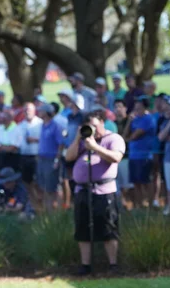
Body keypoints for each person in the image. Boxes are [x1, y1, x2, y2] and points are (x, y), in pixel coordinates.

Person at [66, 110, 124, 276]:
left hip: (104, 191)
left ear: (102, 123)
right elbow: (69, 157)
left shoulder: (113, 139)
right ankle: (85, 265)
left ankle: (113, 265)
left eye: (94, 125)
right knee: (82, 227)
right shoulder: (83, 140)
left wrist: (95, 147)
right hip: (82, 191)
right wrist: (78, 138)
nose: (92, 129)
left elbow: (116, 158)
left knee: (108, 227)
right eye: (88, 126)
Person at [124, 96, 155, 209]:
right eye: (135, 107)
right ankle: (139, 205)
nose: (136, 109)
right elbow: (125, 135)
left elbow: (133, 136)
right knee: (136, 182)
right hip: (133, 155)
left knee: (146, 182)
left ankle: (150, 204)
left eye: (139, 107)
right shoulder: (134, 119)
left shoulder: (148, 119)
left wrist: (127, 139)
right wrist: (129, 121)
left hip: (145, 156)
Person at [36, 103, 65, 213]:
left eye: (41, 110)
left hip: (51, 159)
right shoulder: (43, 125)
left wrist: (57, 160)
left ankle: (57, 212)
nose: (39, 112)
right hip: (42, 159)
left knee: (53, 187)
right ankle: (47, 211)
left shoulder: (55, 126)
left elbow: (61, 144)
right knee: (44, 187)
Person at [17, 102, 42, 206]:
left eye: (29, 109)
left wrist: (34, 140)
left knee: (38, 183)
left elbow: (45, 140)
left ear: (34, 111)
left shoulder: (40, 123)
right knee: (27, 182)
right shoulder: (21, 125)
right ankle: (34, 204)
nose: (27, 112)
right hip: (24, 156)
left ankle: (42, 204)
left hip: (36, 156)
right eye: (26, 110)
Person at [113, 100, 134, 208]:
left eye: (120, 106)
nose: (118, 109)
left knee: (128, 185)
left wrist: (129, 122)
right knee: (119, 185)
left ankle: (132, 205)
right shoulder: (113, 124)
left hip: (128, 156)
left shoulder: (130, 121)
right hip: (117, 158)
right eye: (116, 107)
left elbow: (123, 139)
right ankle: (123, 205)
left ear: (125, 108)